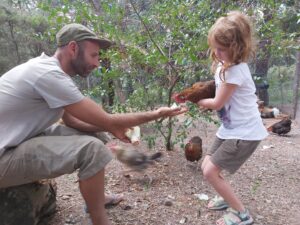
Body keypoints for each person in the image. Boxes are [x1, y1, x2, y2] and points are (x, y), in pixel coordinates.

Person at [0, 23, 187, 225]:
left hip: (17, 142)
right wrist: (155, 114)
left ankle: (97, 199)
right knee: (92, 150)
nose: (97, 63)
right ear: (73, 48)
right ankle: (100, 221)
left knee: (96, 136)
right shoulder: (48, 75)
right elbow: (106, 119)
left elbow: (74, 121)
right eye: (93, 55)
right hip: (4, 155)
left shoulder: (48, 69)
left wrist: (110, 127)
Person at [197, 11, 268, 225]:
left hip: (245, 133)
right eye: (214, 47)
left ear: (236, 48)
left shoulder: (235, 71)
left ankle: (242, 214)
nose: (216, 53)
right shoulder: (223, 66)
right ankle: (225, 196)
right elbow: (220, 96)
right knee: (206, 165)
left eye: (221, 49)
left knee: (210, 171)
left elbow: (217, 103)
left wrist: (198, 101)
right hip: (230, 129)